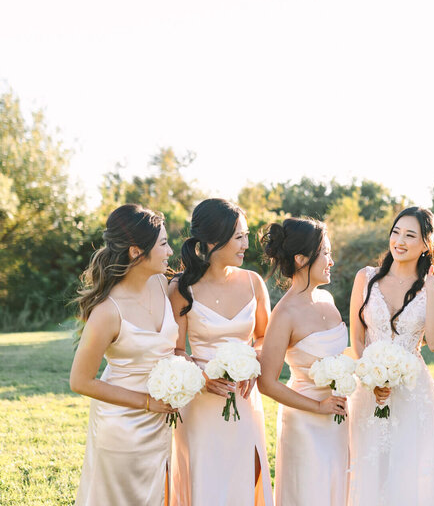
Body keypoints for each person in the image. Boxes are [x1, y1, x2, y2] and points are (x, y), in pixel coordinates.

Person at [71, 204, 179, 505]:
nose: (170, 251)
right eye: (163, 244)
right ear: (136, 251)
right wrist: (147, 402)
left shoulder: (161, 283)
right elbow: (80, 381)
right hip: (122, 427)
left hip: (161, 421)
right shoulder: (108, 311)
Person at [168, 198, 272, 506]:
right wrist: (201, 379)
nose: (246, 244)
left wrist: (253, 360)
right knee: (206, 482)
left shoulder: (253, 282)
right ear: (214, 240)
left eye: (246, 235)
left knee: (243, 477)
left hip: (244, 396)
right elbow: (174, 350)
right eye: (239, 236)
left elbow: (264, 336)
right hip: (201, 404)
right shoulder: (182, 288)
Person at [347, 206, 434, 506]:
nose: (399, 241)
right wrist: (370, 375)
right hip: (370, 390)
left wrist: (432, 290)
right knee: (371, 469)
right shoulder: (366, 278)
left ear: (425, 245)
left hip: (413, 393)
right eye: (396, 232)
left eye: (410, 235)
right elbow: (356, 335)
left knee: (406, 473)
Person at [257, 217, 349, 506]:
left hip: (340, 420)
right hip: (306, 423)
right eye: (326, 254)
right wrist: (318, 406)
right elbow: (267, 383)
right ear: (300, 259)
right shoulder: (284, 315)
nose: (331, 261)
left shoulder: (327, 299)